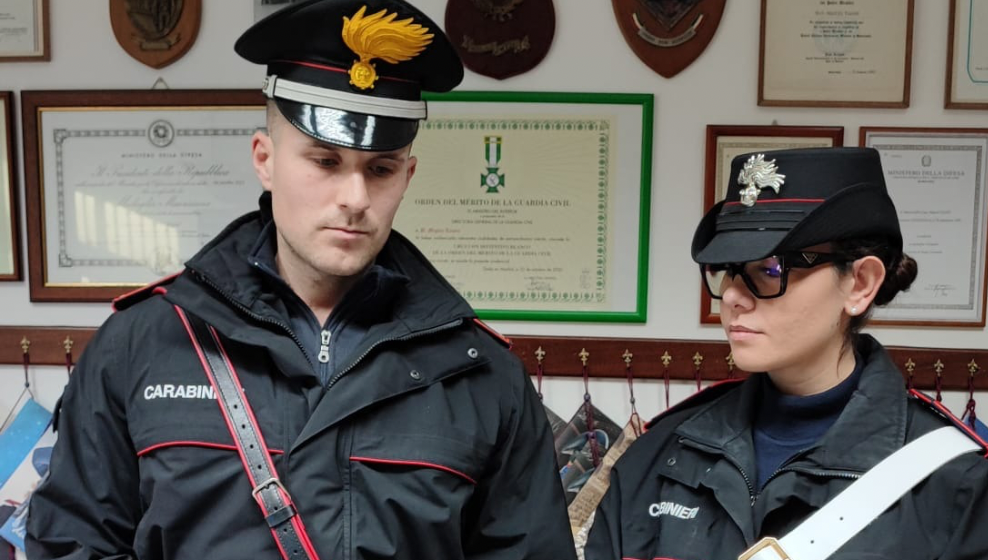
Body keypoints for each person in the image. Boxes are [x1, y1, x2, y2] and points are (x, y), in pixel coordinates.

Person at [25, 1, 576, 558]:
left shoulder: (479, 372)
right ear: (265, 159)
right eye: (325, 161)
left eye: (380, 169)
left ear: (407, 175)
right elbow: (73, 544)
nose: (355, 198)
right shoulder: (142, 344)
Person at [584, 147, 988, 560]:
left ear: (860, 284)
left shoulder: (954, 483)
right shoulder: (657, 456)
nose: (732, 295)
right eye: (727, 270)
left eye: (771, 269)